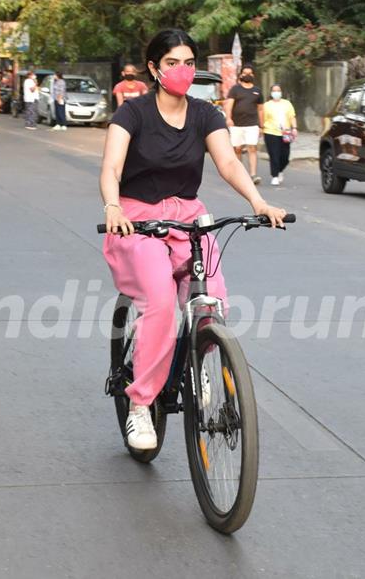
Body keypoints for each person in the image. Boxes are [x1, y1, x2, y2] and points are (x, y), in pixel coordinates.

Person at [99, 29, 286, 450]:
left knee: (212, 300)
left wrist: (258, 201)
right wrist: (113, 208)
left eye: (188, 62)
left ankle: (199, 359)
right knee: (162, 304)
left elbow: (227, 162)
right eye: (172, 63)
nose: (182, 71)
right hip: (137, 219)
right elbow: (111, 168)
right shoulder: (133, 115)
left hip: (187, 217)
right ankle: (140, 406)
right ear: (153, 68)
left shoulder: (205, 114)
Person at [225, 64, 264, 184]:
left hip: (252, 124)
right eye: (245, 73)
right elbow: (229, 105)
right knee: (237, 149)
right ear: (241, 75)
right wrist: (228, 118)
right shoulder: (235, 89)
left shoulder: (257, 91)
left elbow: (261, 109)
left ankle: (253, 175)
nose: (247, 75)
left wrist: (262, 126)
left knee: (252, 147)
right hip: (236, 125)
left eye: (249, 73)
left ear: (253, 75)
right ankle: (239, 174)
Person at [262, 84, 297, 186]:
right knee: (274, 155)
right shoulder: (267, 105)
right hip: (270, 132)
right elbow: (263, 118)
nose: (276, 92)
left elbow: (292, 117)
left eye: (278, 90)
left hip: (285, 133)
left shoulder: (287, 104)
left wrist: (294, 128)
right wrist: (261, 128)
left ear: (281, 92)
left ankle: (280, 170)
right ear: (271, 92)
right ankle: (275, 176)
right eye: (274, 90)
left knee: (285, 156)